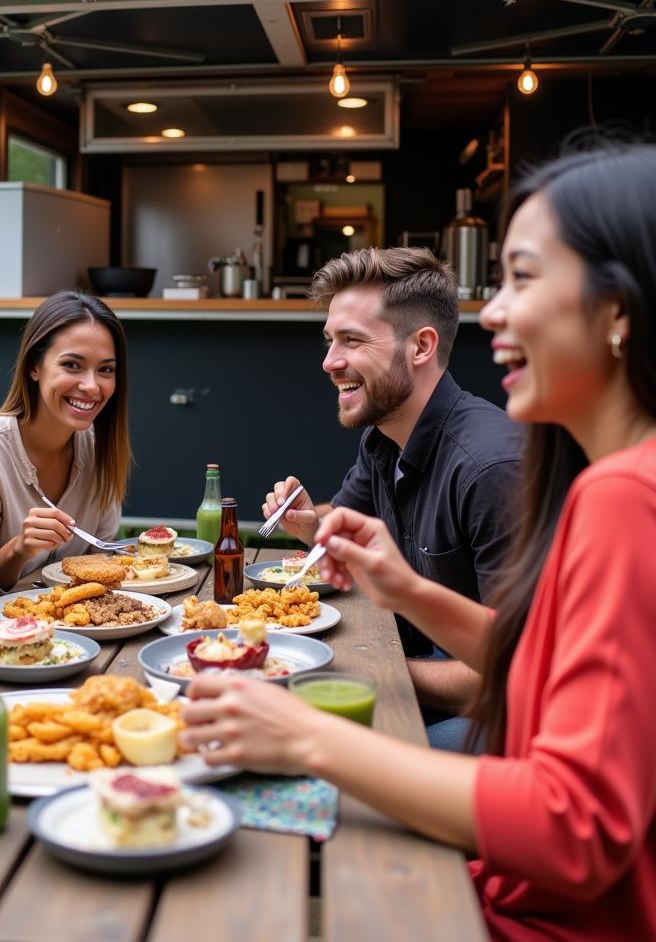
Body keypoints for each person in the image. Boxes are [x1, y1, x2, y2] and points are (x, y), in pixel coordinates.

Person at [183, 144, 656, 941]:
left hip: (529, 915)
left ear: (620, 311)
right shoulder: (603, 475)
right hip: (510, 878)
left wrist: (307, 734)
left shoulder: (617, 495)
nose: (494, 311)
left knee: (234, 848)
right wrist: (400, 585)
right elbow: (532, 656)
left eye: (525, 278)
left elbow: (578, 833)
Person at [264, 247, 521, 746]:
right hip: (434, 665)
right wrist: (308, 521)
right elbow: (339, 521)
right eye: (330, 341)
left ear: (420, 346)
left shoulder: (491, 469)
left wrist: (367, 667)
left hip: (507, 717)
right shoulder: (385, 436)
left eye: (352, 341)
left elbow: (515, 671)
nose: (329, 362)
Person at [0, 290, 130, 595]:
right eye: (72, 365)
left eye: (105, 369)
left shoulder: (101, 449)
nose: (91, 386)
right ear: (34, 367)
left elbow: (103, 562)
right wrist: (19, 549)